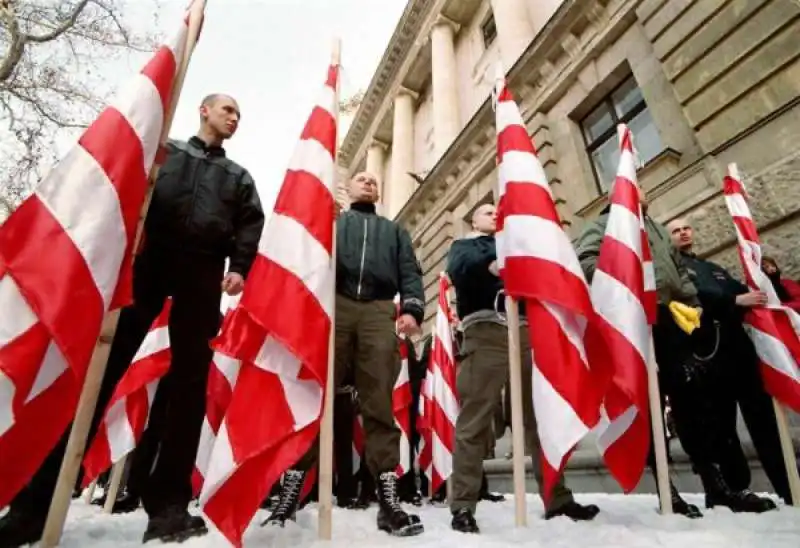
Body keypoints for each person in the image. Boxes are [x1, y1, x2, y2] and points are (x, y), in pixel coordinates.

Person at [0, 93, 265, 547]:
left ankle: (168, 507)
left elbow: (250, 224)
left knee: (188, 390)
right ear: (204, 110)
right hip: (145, 266)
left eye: (239, 114)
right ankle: (33, 505)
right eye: (228, 110)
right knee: (97, 378)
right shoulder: (165, 153)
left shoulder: (238, 178)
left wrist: (238, 266)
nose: (234, 118)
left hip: (202, 276)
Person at [265, 171, 426, 537]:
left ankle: (388, 500)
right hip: (334, 309)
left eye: (373, 180)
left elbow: (410, 273)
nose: (368, 183)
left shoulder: (394, 231)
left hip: (379, 310)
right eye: (361, 179)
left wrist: (412, 310)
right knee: (315, 400)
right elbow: (307, 259)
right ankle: (288, 496)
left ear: (379, 190)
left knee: (379, 405)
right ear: (348, 189)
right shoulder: (334, 223)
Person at [446, 203, 600, 534]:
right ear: (472, 220)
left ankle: (557, 498)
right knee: (474, 421)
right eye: (486, 211)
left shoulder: (518, 242)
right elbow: (460, 270)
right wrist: (492, 263)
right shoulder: (465, 245)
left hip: (530, 332)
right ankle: (462, 505)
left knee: (541, 418)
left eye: (496, 211)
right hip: (486, 331)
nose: (494, 215)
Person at [666, 218, 789, 509]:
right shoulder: (673, 269)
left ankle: (788, 485)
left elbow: (748, 294)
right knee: (723, 429)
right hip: (710, 354)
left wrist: (769, 279)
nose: (684, 232)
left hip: (740, 352)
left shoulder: (714, 270)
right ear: (666, 239)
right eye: (676, 230)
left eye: (687, 228)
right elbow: (694, 296)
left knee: (765, 421)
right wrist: (735, 301)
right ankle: (737, 489)